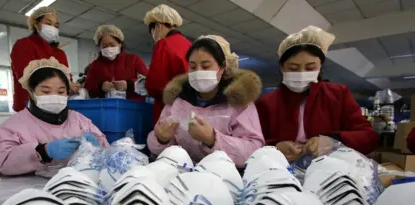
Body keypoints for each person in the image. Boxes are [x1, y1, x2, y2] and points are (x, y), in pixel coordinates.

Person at [256, 26, 379, 161]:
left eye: (310, 68)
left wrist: (333, 141)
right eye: (293, 68)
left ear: (320, 67)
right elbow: (253, 141)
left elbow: (369, 138)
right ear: (281, 68)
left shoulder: (338, 95)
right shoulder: (266, 103)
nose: (302, 73)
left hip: (332, 172)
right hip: (282, 172)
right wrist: (275, 147)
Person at [147, 35, 265, 168]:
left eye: (206, 66)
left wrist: (212, 139)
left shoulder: (239, 103)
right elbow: (155, 142)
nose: (198, 72)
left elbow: (253, 149)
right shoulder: (178, 101)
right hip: (182, 176)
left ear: (222, 67)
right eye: (192, 66)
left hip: (224, 178)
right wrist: (161, 139)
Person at [0, 58, 109, 176]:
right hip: (32, 191)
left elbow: (106, 150)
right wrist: (43, 151)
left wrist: (96, 145)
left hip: (78, 186)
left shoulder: (79, 119)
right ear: (31, 92)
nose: (54, 96)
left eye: (61, 92)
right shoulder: (13, 126)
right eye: (46, 92)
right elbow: (3, 162)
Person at [11, 7, 80, 112]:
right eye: (48, 23)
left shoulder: (60, 53)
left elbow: (67, 78)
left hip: (57, 107)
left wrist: (71, 85)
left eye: (56, 26)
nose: (53, 28)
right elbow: (24, 75)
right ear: (36, 24)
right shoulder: (24, 45)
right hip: (29, 105)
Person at [144, 4, 192, 125]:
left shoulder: (163, 44)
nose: (153, 37)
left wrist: (144, 84)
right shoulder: (189, 44)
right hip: (191, 106)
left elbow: (155, 85)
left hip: (169, 108)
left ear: (158, 26)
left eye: (152, 32)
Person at [84, 25, 148, 102]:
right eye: (104, 46)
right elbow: (88, 90)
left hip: (134, 108)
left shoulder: (134, 60)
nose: (108, 48)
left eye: (112, 45)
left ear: (120, 44)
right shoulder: (95, 65)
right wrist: (101, 87)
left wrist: (130, 85)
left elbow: (148, 83)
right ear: (99, 47)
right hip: (107, 108)